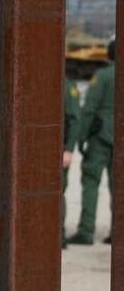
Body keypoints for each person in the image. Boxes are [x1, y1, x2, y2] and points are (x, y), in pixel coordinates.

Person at [69, 39, 115, 246]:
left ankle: (86, 230)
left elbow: (90, 108)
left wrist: (81, 136)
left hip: (101, 136)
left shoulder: (103, 76)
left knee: (91, 182)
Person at [62, 77, 82, 248]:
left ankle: (58, 236)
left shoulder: (67, 86)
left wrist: (68, 149)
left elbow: (75, 119)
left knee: (56, 191)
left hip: (59, 150)